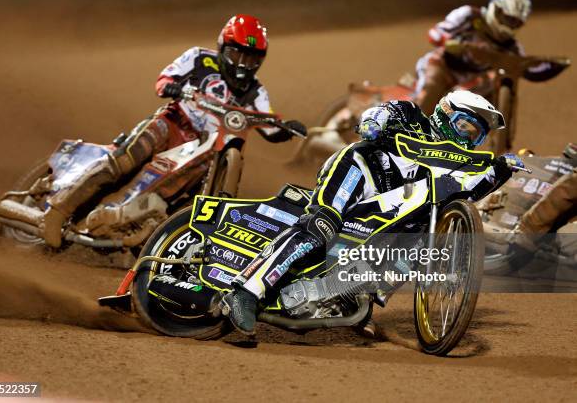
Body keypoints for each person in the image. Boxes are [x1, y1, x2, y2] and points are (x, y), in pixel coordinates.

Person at [223, 90, 524, 335]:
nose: (468, 139)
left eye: (476, 136)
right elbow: (377, 114)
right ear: (446, 115)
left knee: (418, 244)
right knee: (320, 227)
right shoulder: (411, 115)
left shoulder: (458, 164)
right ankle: (246, 291)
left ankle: (357, 297)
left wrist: (500, 171)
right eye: (465, 126)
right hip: (360, 169)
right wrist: (374, 123)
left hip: (387, 206)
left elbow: (466, 194)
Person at [42, 14, 306, 247]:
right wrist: (174, 88)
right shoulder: (199, 58)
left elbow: (269, 126)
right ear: (223, 48)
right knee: (125, 160)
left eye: (251, 58)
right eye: (237, 54)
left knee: (176, 195)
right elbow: (164, 80)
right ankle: (58, 211)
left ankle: (141, 229)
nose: (243, 64)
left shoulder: (256, 90)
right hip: (173, 123)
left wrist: (286, 128)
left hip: (204, 150)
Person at [414, 0, 532, 114]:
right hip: (445, 66)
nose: (510, 25)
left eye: (516, 22)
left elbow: (528, 68)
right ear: (495, 8)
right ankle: (411, 125)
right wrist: (448, 42)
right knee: (430, 90)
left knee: (491, 92)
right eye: (507, 18)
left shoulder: (513, 47)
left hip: (475, 80)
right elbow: (436, 32)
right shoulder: (469, 15)